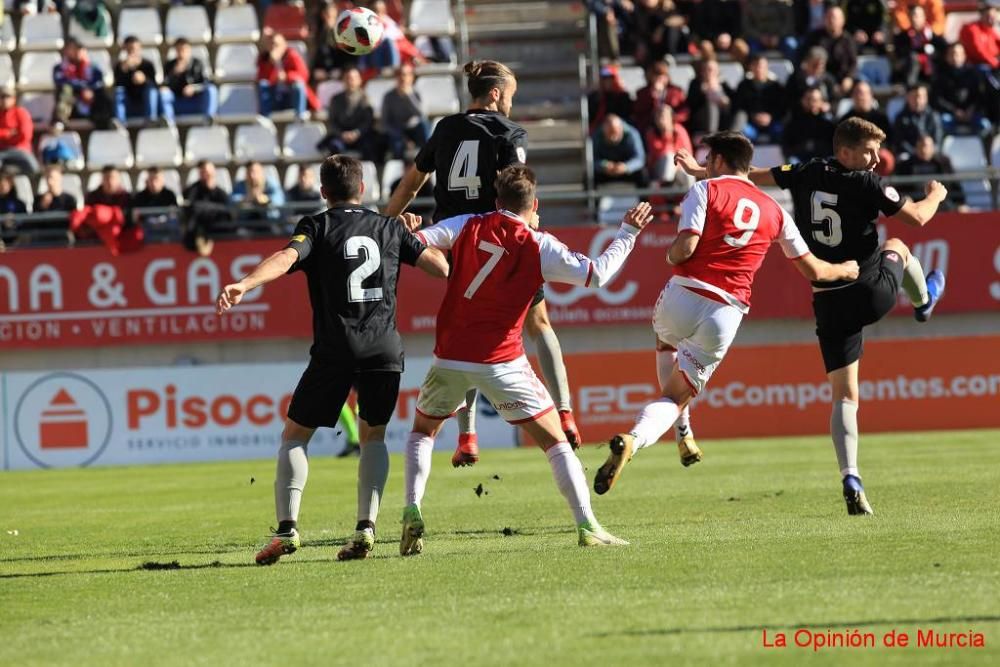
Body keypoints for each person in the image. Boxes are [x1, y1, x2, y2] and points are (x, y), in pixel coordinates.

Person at [679, 117, 947, 515]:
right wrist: (937, 194)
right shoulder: (867, 183)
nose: (875, 160)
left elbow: (755, 175)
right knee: (898, 243)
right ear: (845, 152)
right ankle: (924, 301)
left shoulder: (806, 171)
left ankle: (850, 474)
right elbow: (919, 217)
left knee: (843, 395)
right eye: (868, 152)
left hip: (827, 299)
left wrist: (704, 171)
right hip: (868, 289)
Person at [399, 166, 652, 554]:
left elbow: (415, 240)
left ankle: (413, 508)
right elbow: (598, 275)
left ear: (496, 201)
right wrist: (628, 234)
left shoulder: (467, 223)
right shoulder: (539, 244)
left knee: (421, 433)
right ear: (534, 205)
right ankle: (588, 525)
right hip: (502, 362)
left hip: (449, 356)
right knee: (555, 443)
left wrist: (407, 225)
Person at [594, 132, 859, 495]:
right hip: (726, 311)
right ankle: (639, 437)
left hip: (684, 293)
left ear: (717, 161)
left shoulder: (703, 191)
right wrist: (845, 269)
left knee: (666, 338)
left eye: (707, 160)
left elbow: (685, 247)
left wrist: (670, 255)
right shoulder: (775, 210)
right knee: (674, 396)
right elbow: (814, 270)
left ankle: (678, 432)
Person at [217, 155, 449, 564]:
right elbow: (439, 268)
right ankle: (366, 528)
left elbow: (287, 258)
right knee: (374, 436)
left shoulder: (317, 226)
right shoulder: (389, 227)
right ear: (363, 188)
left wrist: (246, 283)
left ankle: (287, 531)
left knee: (294, 436)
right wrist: (417, 235)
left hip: (336, 348)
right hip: (384, 349)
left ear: (323, 192)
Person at [385, 60, 583, 468]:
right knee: (538, 322)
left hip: (458, 243)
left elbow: (412, 182)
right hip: (499, 239)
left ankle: (468, 435)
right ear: (494, 94)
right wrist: (532, 220)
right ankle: (563, 410)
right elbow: (517, 186)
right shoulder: (507, 132)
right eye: (510, 94)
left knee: (469, 331)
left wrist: (385, 223)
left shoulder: (444, 128)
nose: (511, 102)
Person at [931, 43, 993, 136]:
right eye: (951, 54)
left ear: (964, 56)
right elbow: (937, 99)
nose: (955, 57)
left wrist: (971, 110)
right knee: (941, 122)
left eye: (957, 54)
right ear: (946, 57)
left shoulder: (973, 74)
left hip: (971, 114)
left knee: (985, 125)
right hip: (950, 114)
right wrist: (954, 110)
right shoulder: (940, 75)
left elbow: (979, 96)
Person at [317, 67, 378, 161]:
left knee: (370, 147)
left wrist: (357, 133)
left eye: (353, 78)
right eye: (348, 78)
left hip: (360, 136)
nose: (350, 81)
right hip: (341, 136)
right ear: (343, 80)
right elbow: (332, 122)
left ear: (359, 80)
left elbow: (368, 121)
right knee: (334, 147)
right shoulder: (335, 99)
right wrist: (342, 134)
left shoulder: (365, 98)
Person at [53, 37, 114, 128]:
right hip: (73, 104)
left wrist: (89, 91)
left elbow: (98, 81)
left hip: (91, 102)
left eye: (79, 49)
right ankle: (61, 124)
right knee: (65, 91)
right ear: (66, 51)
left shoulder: (92, 67)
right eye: (72, 49)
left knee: (102, 95)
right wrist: (83, 89)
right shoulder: (60, 68)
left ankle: (107, 123)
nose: (76, 51)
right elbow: (61, 82)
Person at [895, 135, 968, 211]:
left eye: (926, 146)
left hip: (941, 203)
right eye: (921, 146)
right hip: (916, 204)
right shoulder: (906, 165)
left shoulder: (943, 162)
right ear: (916, 148)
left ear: (932, 147)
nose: (924, 149)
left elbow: (954, 184)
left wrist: (961, 203)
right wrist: (905, 199)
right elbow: (900, 188)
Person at [838, 81, 894, 174]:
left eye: (863, 93)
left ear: (871, 95)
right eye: (857, 93)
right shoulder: (845, 120)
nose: (860, 97)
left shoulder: (881, 118)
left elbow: (888, 141)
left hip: (876, 156)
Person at [803, 5, 857, 95]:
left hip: (843, 81)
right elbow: (805, 59)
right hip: (819, 80)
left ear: (842, 21)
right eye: (828, 17)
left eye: (834, 18)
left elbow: (853, 62)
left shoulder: (848, 40)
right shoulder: (814, 37)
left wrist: (849, 78)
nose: (831, 20)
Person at [731, 54, 785, 142]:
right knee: (744, 134)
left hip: (772, 122)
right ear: (751, 67)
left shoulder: (776, 87)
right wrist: (753, 115)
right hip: (750, 122)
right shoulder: (744, 85)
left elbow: (782, 107)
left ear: (767, 67)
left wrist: (770, 117)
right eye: (755, 65)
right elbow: (738, 106)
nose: (759, 69)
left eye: (761, 66)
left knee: (780, 131)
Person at [183, 161, 232, 256]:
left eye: (208, 172)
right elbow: (190, 205)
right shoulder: (193, 189)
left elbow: (227, 211)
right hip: (196, 230)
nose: (206, 175)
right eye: (203, 172)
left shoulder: (221, 193)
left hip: (218, 231)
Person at [382, 64, 430, 160]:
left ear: (411, 77)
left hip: (415, 128)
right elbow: (386, 122)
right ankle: (398, 171)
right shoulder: (389, 96)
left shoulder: (416, 93)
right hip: (398, 131)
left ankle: (427, 164)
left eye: (406, 74)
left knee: (424, 127)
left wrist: (409, 96)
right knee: (396, 144)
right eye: (399, 75)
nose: (402, 78)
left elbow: (421, 114)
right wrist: (404, 140)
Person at [892, 4, 948, 87]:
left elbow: (944, 50)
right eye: (913, 15)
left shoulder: (932, 36)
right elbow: (900, 54)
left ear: (924, 17)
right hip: (910, 72)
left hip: (930, 73)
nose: (915, 19)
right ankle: (911, 89)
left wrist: (933, 52)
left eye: (918, 16)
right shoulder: (902, 37)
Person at [257, 33, 311, 118]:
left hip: (291, 96)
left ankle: (300, 116)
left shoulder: (292, 55)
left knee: (298, 86)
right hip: (275, 97)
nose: (274, 47)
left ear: (284, 45)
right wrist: (272, 63)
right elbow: (262, 78)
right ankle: (265, 117)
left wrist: (286, 77)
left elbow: (303, 76)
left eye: (276, 45)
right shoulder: (264, 59)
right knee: (263, 85)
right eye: (271, 45)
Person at [163, 37, 218, 120]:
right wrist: (174, 74)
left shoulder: (198, 64)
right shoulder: (170, 65)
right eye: (179, 50)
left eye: (184, 49)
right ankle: (168, 122)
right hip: (177, 102)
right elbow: (165, 86)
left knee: (211, 90)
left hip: (196, 101)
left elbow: (208, 82)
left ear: (189, 50)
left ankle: (208, 119)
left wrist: (194, 88)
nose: (181, 53)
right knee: (164, 94)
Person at [782, 86, 835, 164]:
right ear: (802, 100)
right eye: (808, 99)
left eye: (815, 100)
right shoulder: (793, 122)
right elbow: (786, 148)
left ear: (821, 102)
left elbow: (833, 148)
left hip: (823, 162)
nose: (811, 103)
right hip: (799, 162)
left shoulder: (829, 123)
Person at [632, 60, 688, 133]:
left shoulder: (676, 92)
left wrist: (670, 120)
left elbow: (684, 112)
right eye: (656, 76)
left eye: (662, 76)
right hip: (649, 129)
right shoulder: (643, 93)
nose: (659, 79)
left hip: (673, 128)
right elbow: (638, 113)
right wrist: (653, 98)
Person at [592, 114, 647, 188]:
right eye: (610, 133)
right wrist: (604, 165)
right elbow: (592, 160)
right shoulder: (596, 136)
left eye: (615, 133)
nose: (613, 138)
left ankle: (643, 199)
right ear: (604, 130)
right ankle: (591, 199)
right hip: (605, 171)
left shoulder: (632, 134)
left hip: (626, 170)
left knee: (643, 175)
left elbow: (640, 158)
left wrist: (626, 167)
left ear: (621, 128)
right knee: (589, 176)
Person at [114, 35, 160, 123]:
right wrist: (123, 70)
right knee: (119, 92)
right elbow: (118, 86)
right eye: (129, 49)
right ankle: (120, 123)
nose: (132, 51)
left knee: (151, 91)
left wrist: (144, 80)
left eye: (134, 48)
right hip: (129, 101)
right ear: (125, 49)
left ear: (140, 48)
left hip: (144, 100)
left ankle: (151, 121)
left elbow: (154, 85)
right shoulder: (120, 66)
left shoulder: (148, 64)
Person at [892, 83, 943, 159]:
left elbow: (938, 138)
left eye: (921, 97)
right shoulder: (900, 118)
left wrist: (929, 151)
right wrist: (916, 152)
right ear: (908, 97)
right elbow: (899, 141)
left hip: (931, 154)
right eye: (914, 96)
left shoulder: (933, 116)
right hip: (909, 155)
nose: (918, 100)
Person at [685, 58, 735, 136]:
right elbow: (691, 104)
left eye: (712, 70)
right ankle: (711, 134)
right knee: (711, 103)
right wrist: (702, 92)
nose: (709, 72)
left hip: (723, 121)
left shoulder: (723, 84)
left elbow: (735, 101)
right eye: (706, 69)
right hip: (702, 123)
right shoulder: (695, 84)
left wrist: (726, 101)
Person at [0, 86, 39, 175]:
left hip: (20, 149)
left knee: (34, 168)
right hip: (2, 151)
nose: (5, 100)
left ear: (14, 99)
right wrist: (8, 133)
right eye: (2, 97)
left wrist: (5, 137)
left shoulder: (20, 113)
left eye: (8, 97)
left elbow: (25, 135)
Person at [786, 46, 838, 112]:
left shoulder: (828, 80)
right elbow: (788, 98)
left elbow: (835, 99)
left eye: (821, 66)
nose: (817, 69)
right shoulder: (796, 78)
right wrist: (801, 102)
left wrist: (828, 106)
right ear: (807, 63)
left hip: (822, 116)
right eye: (814, 65)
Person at [588, 64, 636, 131]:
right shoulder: (595, 96)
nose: (607, 82)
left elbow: (627, 117)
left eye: (610, 78)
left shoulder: (623, 96)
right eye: (604, 79)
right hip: (598, 130)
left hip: (619, 129)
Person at [959, 1, 1000, 70]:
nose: (992, 19)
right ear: (982, 15)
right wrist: (996, 63)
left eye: (994, 16)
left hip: (990, 63)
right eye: (989, 16)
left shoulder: (990, 30)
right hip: (976, 67)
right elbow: (979, 51)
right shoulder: (971, 29)